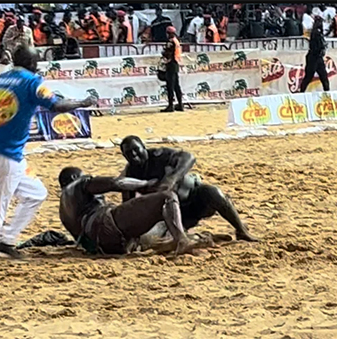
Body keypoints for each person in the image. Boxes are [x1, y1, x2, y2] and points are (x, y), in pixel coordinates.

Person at [0, 45, 97, 280]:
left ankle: (6, 240)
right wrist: (84, 103)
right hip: (5, 157)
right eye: (36, 60)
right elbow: (56, 105)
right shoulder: (32, 81)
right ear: (32, 63)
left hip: (0, 153)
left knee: (37, 193)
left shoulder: (1, 80)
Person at [119, 136, 259, 242]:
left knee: (213, 192)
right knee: (149, 239)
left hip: (194, 200)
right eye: (129, 154)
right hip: (170, 216)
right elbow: (129, 205)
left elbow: (189, 157)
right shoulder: (130, 175)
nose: (135, 156)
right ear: (125, 156)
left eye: (136, 150)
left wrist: (171, 179)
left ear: (144, 147)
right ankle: (199, 238)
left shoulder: (159, 155)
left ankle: (241, 230)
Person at [58, 167, 201, 256]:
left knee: (165, 220)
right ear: (74, 178)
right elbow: (116, 183)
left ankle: (170, 240)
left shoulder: (63, 211)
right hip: (104, 223)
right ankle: (182, 241)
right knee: (167, 198)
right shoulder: (78, 184)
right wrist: (147, 184)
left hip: (103, 246)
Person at [300, 16, 329, 93]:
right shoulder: (316, 33)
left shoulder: (319, 32)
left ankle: (328, 93)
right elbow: (315, 46)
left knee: (324, 77)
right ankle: (301, 92)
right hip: (313, 57)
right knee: (309, 77)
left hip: (318, 57)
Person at [161, 26, 183, 112]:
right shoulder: (176, 40)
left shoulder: (170, 42)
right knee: (176, 85)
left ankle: (170, 105)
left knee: (170, 86)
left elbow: (167, 53)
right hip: (176, 63)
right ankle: (180, 104)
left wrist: (163, 53)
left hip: (170, 64)